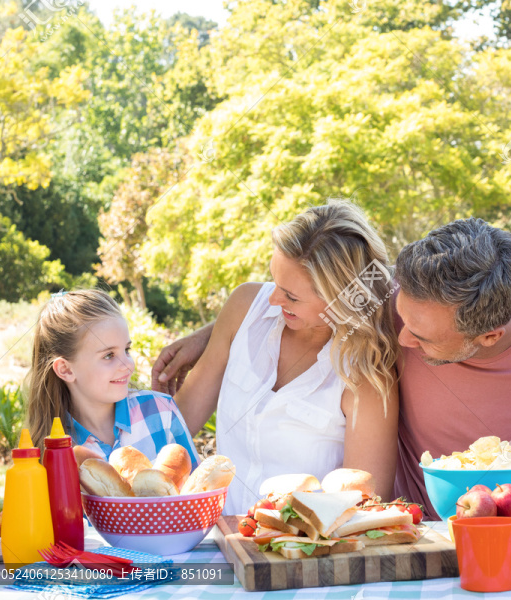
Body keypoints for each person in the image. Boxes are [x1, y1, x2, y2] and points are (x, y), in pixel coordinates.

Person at [155, 218, 511, 517]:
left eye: (422, 337)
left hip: (508, 529)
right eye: (399, 312)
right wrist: (213, 335)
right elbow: (306, 290)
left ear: (487, 335)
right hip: (416, 530)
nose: (399, 339)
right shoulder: (388, 298)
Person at [170, 200, 400, 515]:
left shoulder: (365, 378)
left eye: (291, 296)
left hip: (306, 554)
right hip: (217, 538)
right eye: (275, 282)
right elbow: (176, 429)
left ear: (344, 298)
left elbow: (367, 507)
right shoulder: (244, 308)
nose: (273, 299)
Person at [25, 290, 200, 470]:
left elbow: (200, 490)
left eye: (127, 350)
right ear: (66, 369)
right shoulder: (54, 449)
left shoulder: (161, 411)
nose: (127, 365)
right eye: (109, 355)